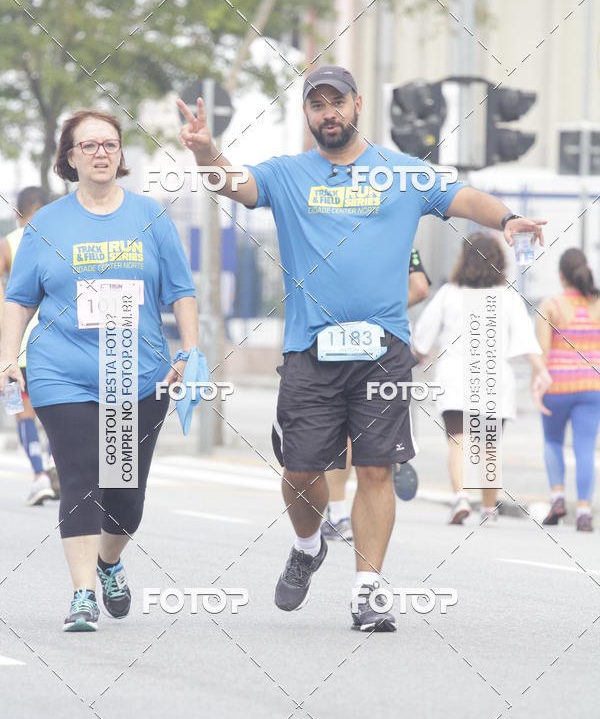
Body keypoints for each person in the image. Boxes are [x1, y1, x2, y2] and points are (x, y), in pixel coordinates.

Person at [178, 64, 547, 632]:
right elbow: (235, 183)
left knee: (376, 468)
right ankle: (307, 545)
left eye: (337, 102)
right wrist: (207, 152)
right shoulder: (288, 174)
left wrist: (509, 217)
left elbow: (461, 195)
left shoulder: (401, 174)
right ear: (307, 114)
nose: (328, 113)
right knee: (302, 471)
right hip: (310, 349)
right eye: (317, 104)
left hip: (383, 351)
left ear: (357, 106)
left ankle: (369, 588)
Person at [0, 109, 198, 632]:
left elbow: (181, 291)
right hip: (62, 373)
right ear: (69, 158)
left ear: (121, 155)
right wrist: (8, 359)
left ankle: (109, 561)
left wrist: (190, 353)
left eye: (109, 144)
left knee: (125, 496)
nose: (100, 153)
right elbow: (18, 299)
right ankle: (82, 594)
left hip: (137, 374)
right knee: (82, 475)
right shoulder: (46, 224)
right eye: (87, 146)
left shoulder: (150, 218)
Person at [413, 232, 551, 524]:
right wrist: (540, 370)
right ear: (499, 261)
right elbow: (527, 342)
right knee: (489, 443)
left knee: (458, 442)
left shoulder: (450, 293)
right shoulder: (509, 297)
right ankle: (488, 510)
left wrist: (415, 357)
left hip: (455, 376)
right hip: (494, 379)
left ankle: (461, 497)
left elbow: (422, 338)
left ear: (463, 259)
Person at [321, 247, 431, 543]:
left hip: (341, 342)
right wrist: (386, 312)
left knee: (342, 435)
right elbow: (420, 288)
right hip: (390, 347)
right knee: (377, 446)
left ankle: (338, 513)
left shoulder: (337, 233)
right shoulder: (400, 234)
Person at [0, 186, 59, 505]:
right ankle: (53, 464)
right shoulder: (57, 239)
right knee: (53, 413)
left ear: (18, 213)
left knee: (19, 412)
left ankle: (39, 475)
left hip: (14, 347)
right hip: (52, 345)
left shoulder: (7, 244)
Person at [536, 248, 600, 531]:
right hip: (591, 386)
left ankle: (558, 498)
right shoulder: (597, 304)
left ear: (561, 276)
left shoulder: (550, 305)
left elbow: (541, 352)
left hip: (557, 386)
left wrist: (536, 385)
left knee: (552, 441)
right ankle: (584, 511)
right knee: (585, 447)